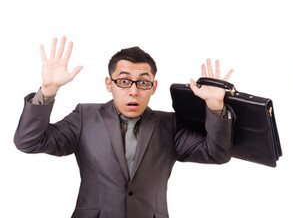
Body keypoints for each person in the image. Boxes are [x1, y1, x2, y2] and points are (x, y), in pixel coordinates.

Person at [14, 36, 235, 218]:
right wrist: (48, 90)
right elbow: (29, 141)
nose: (133, 91)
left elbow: (216, 154)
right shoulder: (84, 116)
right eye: (123, 81)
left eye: (143, 82)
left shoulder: (169, 124)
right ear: (109, 84)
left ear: (153, 87)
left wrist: (215, 106)